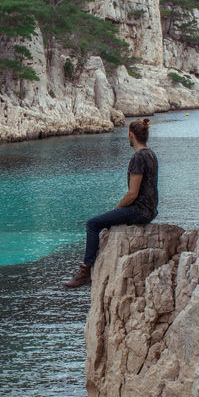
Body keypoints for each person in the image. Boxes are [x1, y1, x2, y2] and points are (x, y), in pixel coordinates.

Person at [62, 118, 159, 289]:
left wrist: (118, 208)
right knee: (101, 222)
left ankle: (85, 271)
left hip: (139, 210)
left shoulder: (138, 157)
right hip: (150, 209)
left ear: (130, 134)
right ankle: (86, 270)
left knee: (92, 224)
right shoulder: (151, 154)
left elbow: (132, 193)